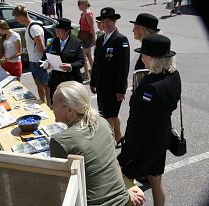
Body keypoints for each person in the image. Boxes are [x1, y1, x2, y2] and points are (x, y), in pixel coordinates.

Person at [50, 81, 145, 206]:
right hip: (123, 200)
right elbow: (113, 162)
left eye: (55, 104)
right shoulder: (103, 122)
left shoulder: (59, 141)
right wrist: (125, 194)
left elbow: (61, 187)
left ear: (70, 110)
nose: (51, 108)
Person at [117, 34, 181, 206]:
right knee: (156, 179)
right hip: (163, 136)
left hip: (145, 145)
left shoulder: (150, 87)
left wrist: (123, 159)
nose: (141, 57)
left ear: (152, 58)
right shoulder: (174, 75)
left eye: (143, 54)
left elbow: (139, 128)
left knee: (125, 183)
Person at [90, 7, 130, 146]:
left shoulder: (121, 40)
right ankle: (119, 137)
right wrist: (93, 81)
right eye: (103, 22)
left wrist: (121, 89)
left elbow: (123, 67)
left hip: (113, 86)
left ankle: (109, 140)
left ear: (114, 22)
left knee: (108, 115)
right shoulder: (100, 39)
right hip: (101, 85)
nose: (105, 25)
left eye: (108, 22)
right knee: (110, 113)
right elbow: (97, 63)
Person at [12, 5, 51, 106]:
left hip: (38, 62)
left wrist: (45, 62)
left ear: (21, 16)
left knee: (46, 86)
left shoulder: (34, 28)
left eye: (16, 18)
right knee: (39, 84)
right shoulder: (29, 27)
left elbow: (41, 47)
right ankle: (43, 104)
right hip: (33, 61)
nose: (16, 20)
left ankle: (50, 107)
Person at [45, 18, 85, 101]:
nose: (56, 32)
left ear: (67, 31)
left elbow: (81, 61)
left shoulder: (76, 43)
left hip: (70, 81)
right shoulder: (52, 42)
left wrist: (70, 66)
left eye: (59, 30)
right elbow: (44, 57)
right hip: (56, 81)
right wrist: (46, 64)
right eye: (56, 29)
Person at [77, 0, 95, 81]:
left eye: (79, 4)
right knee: (88, 56)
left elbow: (92, 28)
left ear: (84, 4)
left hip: (87, 37)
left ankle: (87, 74)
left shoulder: (88, 14)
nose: (78, 6)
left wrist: (94, 39)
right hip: (82, 36)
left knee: (83, 56)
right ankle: (95, 72)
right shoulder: (82, 14)